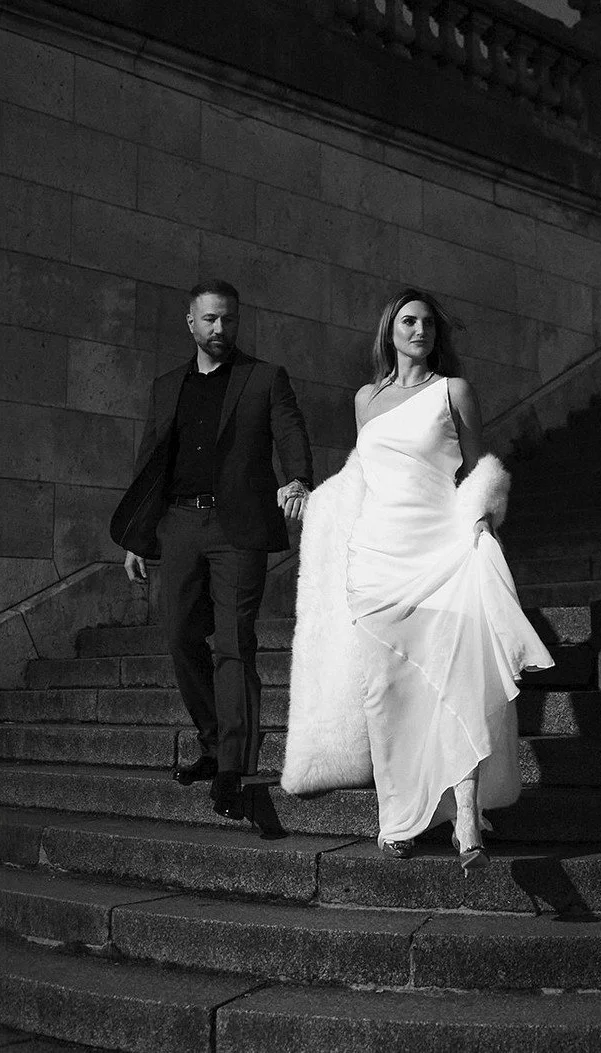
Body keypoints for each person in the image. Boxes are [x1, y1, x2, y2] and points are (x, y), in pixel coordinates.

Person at [282, 288, 553, 873]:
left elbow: (479, 468)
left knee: (455, 682)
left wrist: (481, 516)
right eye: (408, 321)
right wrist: (313, 499)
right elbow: (361, 475)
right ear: (390, 329)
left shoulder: (453, 391)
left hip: (440, 552)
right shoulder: (366, 399)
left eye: (428, 323)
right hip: (376, 558)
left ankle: (466, 817)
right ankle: (400, 817)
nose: (419, 330)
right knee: (386, 690)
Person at [110, 279, 312, 821]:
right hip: (178, 523)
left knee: (234, 642)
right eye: (210, 319)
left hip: (236, 528)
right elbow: (151, 460)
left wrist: (297, 478)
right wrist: (138, 535)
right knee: (180, 635)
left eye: (229, 319)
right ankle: (213, 740)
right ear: (191, 323)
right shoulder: (167, 386)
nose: (221, 328)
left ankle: (231, 767)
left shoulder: (264, 378)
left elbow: (290, 431)